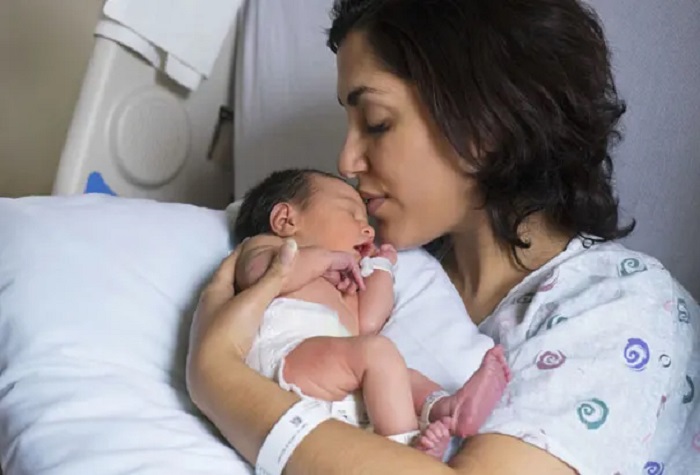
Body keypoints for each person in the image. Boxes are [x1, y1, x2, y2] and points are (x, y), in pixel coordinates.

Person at [187, 0, 699, 473]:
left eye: (377, 122)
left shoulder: (623, 307)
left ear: (486, 124)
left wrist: (217, 377)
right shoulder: (395, 266)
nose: (346, 161)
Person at [232, 168, 511, 458]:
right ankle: (406, 454)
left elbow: (368, 322)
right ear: (285, 220)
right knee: (379, 353)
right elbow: (264, 276)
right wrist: (325, 259)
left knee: (400, 373)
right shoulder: (265, 246)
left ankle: (445, 408)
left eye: (366, 221)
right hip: (285, 363)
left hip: (335, 386)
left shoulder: (339, 286)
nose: (368, 230)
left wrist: (382, 267)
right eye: (351, 214)